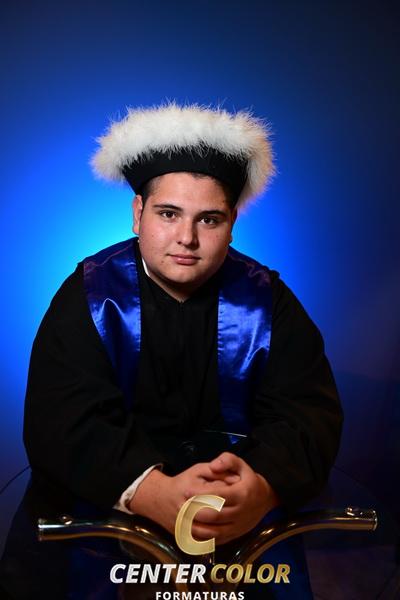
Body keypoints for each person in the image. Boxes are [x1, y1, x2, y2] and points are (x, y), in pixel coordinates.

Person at [2, 103, 342, 598]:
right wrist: (150, 490)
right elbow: (62, 418)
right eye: (168, 214)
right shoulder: (90, 295)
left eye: (209, 219)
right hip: (102, 524)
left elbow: (307, 414)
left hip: (234, 525)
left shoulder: (268, 300)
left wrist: (261, 484)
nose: (187, 238)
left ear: (232, 222)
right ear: (138, 213)